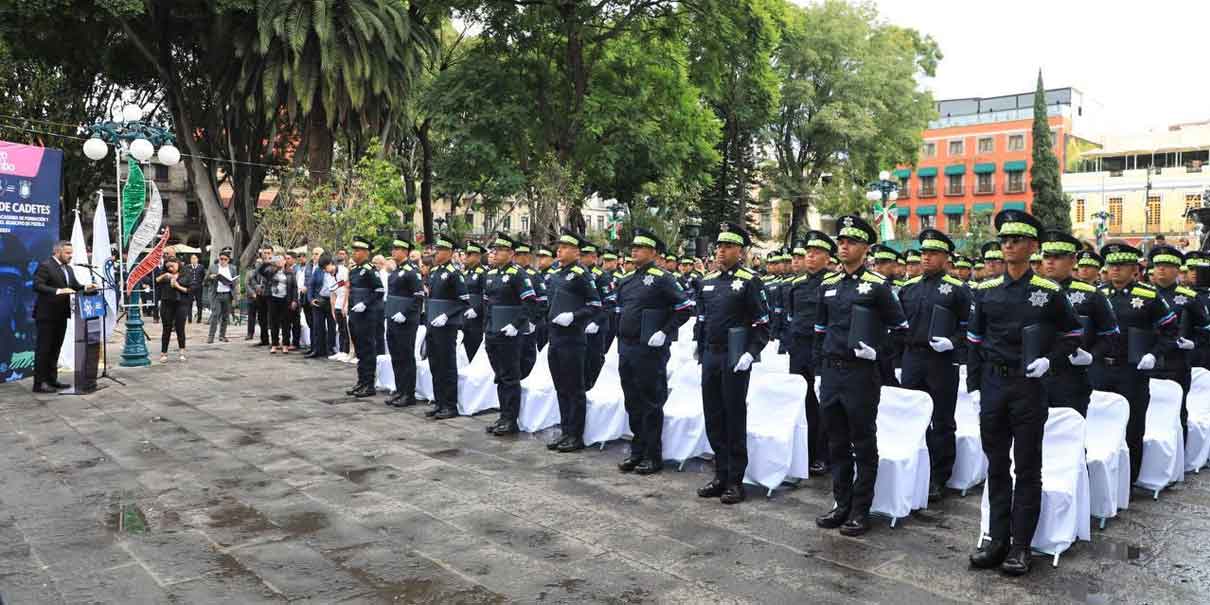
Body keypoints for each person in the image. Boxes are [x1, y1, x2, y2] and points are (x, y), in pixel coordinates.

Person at [967, 210, 1082, 576]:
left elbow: (1073, 335)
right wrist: (973, 386)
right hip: (994, 385)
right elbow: (973, 340)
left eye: (1017, 240)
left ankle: (1021, 545)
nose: (1009, 245)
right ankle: (996, 539)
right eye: (1004, 240)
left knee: (1028, 467)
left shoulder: (1048, 292)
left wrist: (1051, 360)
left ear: (1033, 246)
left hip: (1029, 386)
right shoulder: (986, 291)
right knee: (997, 465)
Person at [811, 216, 908, 536]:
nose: (843, 245)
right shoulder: (828, 285)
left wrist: (878, 354)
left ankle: (860, 508)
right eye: (841, 240)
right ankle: (841, 503)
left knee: (863, 442)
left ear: (865, 248)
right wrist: (817, 369)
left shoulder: (878, 286)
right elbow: (820, 330)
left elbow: (900, 329)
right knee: (836, 441)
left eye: (851, 242)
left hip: (861, 374)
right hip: (832, 372)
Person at [695, 222, 770, 505]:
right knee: (713, 415)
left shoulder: (749, 281)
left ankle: (735, 480)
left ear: (740, 251)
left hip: (735, 356)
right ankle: (720, 474)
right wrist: (698, 347)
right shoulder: (707, 281)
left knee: (733, 417)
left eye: (727, 246)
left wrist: (751, 353)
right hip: (711, 356)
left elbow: (762, 323)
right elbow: (703, 320)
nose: (720, 251)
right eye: (718, 246)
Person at [1090, 242, 1177, 484]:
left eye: (1121, 265)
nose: (1115, 270)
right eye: (1112, 265)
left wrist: (1154, 354)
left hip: (1132, 370)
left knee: (1132, 426)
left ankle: (1128, 481)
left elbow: (1171, 331)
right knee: (1098, 424)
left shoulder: (1149, 296)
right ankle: (1100, 479)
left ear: (1134, 269)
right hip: (1099, 367)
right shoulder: (1098, 294)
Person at [896, 229, 971, 501]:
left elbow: (971, 328)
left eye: (933, 253)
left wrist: (953, 342)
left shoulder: (958, 290)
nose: (926, 258)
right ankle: (912, 466)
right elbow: (898, 326)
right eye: (923, 253)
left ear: (946, 258)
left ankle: (939, 476)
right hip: (912, 357)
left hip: (941, 360)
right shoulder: (909, 288)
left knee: (941, 419)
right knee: (910, 417)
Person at [614, 228, 693, 472]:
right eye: (633, 247)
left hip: (649, 349)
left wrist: (665, 332)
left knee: (650, 402)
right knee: (632, 401)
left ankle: (652, 455)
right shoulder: (626, 280)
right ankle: (637, 450)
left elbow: (684, 308)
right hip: (626, 347)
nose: (634, 250)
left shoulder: (663, 278)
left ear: (654, 252)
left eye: (641, 247)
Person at [1039, 231, 1117, 418]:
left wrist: (1091, 356)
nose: (1050, 262)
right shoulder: (1031, 290)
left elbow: (1111, 334)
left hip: (1071, 378)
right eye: (1047, 256)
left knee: (1071, 440)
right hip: (1035, 378)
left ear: (1073, 260)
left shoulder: (1092, 294)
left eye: (1057, 257)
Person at [545, 229, 605, 452]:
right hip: (555, 338)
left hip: (572, 339)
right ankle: (566, 431)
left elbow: (595, 305)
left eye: (565, 247)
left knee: (574, 389)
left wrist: (574, 317)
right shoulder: (555, 273)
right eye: (559, 247)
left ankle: (576, 435)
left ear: (576, 252)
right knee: (561, 387)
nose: (559, 250)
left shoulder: (582, 273)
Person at [784, 233, 834, 476]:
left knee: (822, 404)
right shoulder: (796, 284)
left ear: (827, 257)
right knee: (801, 402)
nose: (810, 257)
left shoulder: (832, 283)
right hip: (799, 349)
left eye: (816, 253)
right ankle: (804, 451)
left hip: (821, 349)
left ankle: (822, 455)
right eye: (808, 253)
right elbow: (792, 316)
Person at [483, 232, 541, 436]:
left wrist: (517, 325)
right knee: (499, 376)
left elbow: (530, 302)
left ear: (511, 253)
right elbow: (488, 304)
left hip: (510, 335)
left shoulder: (518, 274)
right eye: (495, 250)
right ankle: (503, 415)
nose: (496, 253)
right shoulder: (491, 274)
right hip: (492, 333)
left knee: (510, 377)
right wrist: (487, 328)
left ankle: (511, 419)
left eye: (500, 250)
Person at [1147, 244, 1207, 437]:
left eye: (1167, 265)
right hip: (1147, 361)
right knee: (1146, 413)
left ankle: (1179, 461)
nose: (1161, 269)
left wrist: (1194, 343)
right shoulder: (1143, 295)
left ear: (1177, 270)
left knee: (1177, 413)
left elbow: (1205, 329)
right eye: (1158, 266)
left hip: (1177, 362)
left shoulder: (1189, 297)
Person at [31, 240, 93, 392]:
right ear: (58, 252)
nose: (70, 256)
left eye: (71, 253)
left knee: (55, 349)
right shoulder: (46, 266)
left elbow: (73, 286)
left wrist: (86, 287)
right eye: (67, 253)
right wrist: (59, 291)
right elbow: (37, 285)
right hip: (46, 315)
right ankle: (39, 383)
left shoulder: (69, 269)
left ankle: (52, 380)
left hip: (61, 315)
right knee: (44, 349)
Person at [423, 234, 469, 419]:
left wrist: (446, 315)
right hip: (433, 324)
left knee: (447, 365)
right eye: (437, 250)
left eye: (441, 250)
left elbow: (463, 302)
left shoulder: (454, 273)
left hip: (447, 325)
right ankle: (439, 401)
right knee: (435, 364)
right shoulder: (434, 272)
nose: (437, 253)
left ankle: (450, 405)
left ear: (449, 252)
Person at [381, 240, 425, 408]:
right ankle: (400, 390)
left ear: (406, 252)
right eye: (393, 248)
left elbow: (418, 296)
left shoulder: (412, 271)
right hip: (393, 318)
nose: (394, 251)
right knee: (396, 356)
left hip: (406, 321)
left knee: (406, 357)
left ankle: (408, 393)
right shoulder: (396, 271)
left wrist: (405, 313)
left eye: (398, 249)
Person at [346, 237, 383, 397]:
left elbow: (379, 291)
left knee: (368, 350)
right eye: (354, 250)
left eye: (358, 251)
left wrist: (365, 304)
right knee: (360, 350)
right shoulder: (354, 270)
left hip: (367, 316)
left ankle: (369, 384)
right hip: (355, 315)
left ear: (366, 253)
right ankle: (361, 381)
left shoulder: (370, 270)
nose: (355, 253)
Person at [581, 241, 612, 389]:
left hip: (596, 325)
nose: (581, 258)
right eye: (580, 254)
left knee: (594, 359)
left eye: (585, 255)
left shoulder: (602, 276)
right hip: (580, 323)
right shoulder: (578, 273)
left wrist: (597, 322)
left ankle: (593, 387)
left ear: (594, 257)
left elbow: (609, 303)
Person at [156, 257, 193, 362]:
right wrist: (165, 275)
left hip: (181, 303)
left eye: (173, 266)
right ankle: (163, 353)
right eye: (168, 266)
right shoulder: (164, 274)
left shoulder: (185, 273)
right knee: (166, 328)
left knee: (180, 328)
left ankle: (182, 351)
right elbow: (155, 281)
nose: (171, 268)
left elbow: (190, 290)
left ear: (178, 264)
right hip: (166, 302)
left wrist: (177, 286)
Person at [305, 255, 337, 359]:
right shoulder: (318, 271)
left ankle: (330, 349)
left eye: (325, 267)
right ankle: (317, 350)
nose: (324, 270)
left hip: (332, 301)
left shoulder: (337, 270)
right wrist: (311, 299)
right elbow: (311, 285)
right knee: (317, 326)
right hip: (320, 300)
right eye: (322, 268)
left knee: (332, 326)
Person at [462, 241, 488, 361]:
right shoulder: (466, 273)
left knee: (476, 351)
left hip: (477, 318)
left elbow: (486, 296)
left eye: (469, 254)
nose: (465, 256)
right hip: (465, 317)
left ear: (477, 256)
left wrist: (476, 310)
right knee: (467, 349)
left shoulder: (483, 273)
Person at [206, 248, 239, 343]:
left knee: (225, 316)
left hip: (228, 294)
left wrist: (232, 283)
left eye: (225, 259)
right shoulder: (213, 267)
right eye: (221, 259)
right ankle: (211, 336)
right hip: (216, 294)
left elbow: (235, 282)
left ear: (228, 260)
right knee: (215, 314)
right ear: (219, 258)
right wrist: (210, 277)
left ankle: (222, 335)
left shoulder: (232, 268)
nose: (223, 261)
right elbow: (205, 280)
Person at [246, 245, 272, 343]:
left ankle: (275, 341)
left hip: (270, 294)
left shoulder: (274, 263)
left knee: (272, 318)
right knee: (262, 318)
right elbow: (252, 277)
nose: (266, 255)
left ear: (272, 254)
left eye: (268, 253)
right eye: (264, 253)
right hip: (260, 295)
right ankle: (264, 339)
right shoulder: (260, 264)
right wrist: (256, 286)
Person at [186, 253, 206, 323]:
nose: (193, 260)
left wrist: (202, 283)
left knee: (199, 303)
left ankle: (199, 318)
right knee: (189, 303)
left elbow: (204, 276)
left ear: (197, 259)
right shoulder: (187, 267)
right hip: (190, 287)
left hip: (198, 287)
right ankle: (189, 318)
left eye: (195, 258)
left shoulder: (201, 267)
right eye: (192, 258)